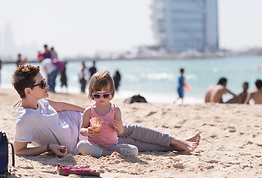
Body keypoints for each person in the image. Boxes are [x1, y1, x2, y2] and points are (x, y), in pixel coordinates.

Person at [12, 65, 200, 157]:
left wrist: (89, 111)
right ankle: (175, 145)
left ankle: (176, 141)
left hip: (89, 123)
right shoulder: (25, 120)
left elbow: (61, 106)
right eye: (43, 83)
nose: (47, 85)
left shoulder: (41, 102)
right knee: (131, 140)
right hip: (86, 139)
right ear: (28, 91)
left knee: (130, 129)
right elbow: (19, 150)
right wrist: (47, 148)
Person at [77, 71, 138, 157]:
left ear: (111, 93)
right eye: (97, 95)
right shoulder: (89, 111)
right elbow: (82, 129)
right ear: (91, 94)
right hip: (95, 145)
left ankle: (104, 153)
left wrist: (119, 126)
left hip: (113, 146)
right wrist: (87, 131)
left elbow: (120, 132)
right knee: (81, 145)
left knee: (134, 150)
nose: (101, 98)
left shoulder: (115, 110)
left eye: (105, 95)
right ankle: (107, 154)